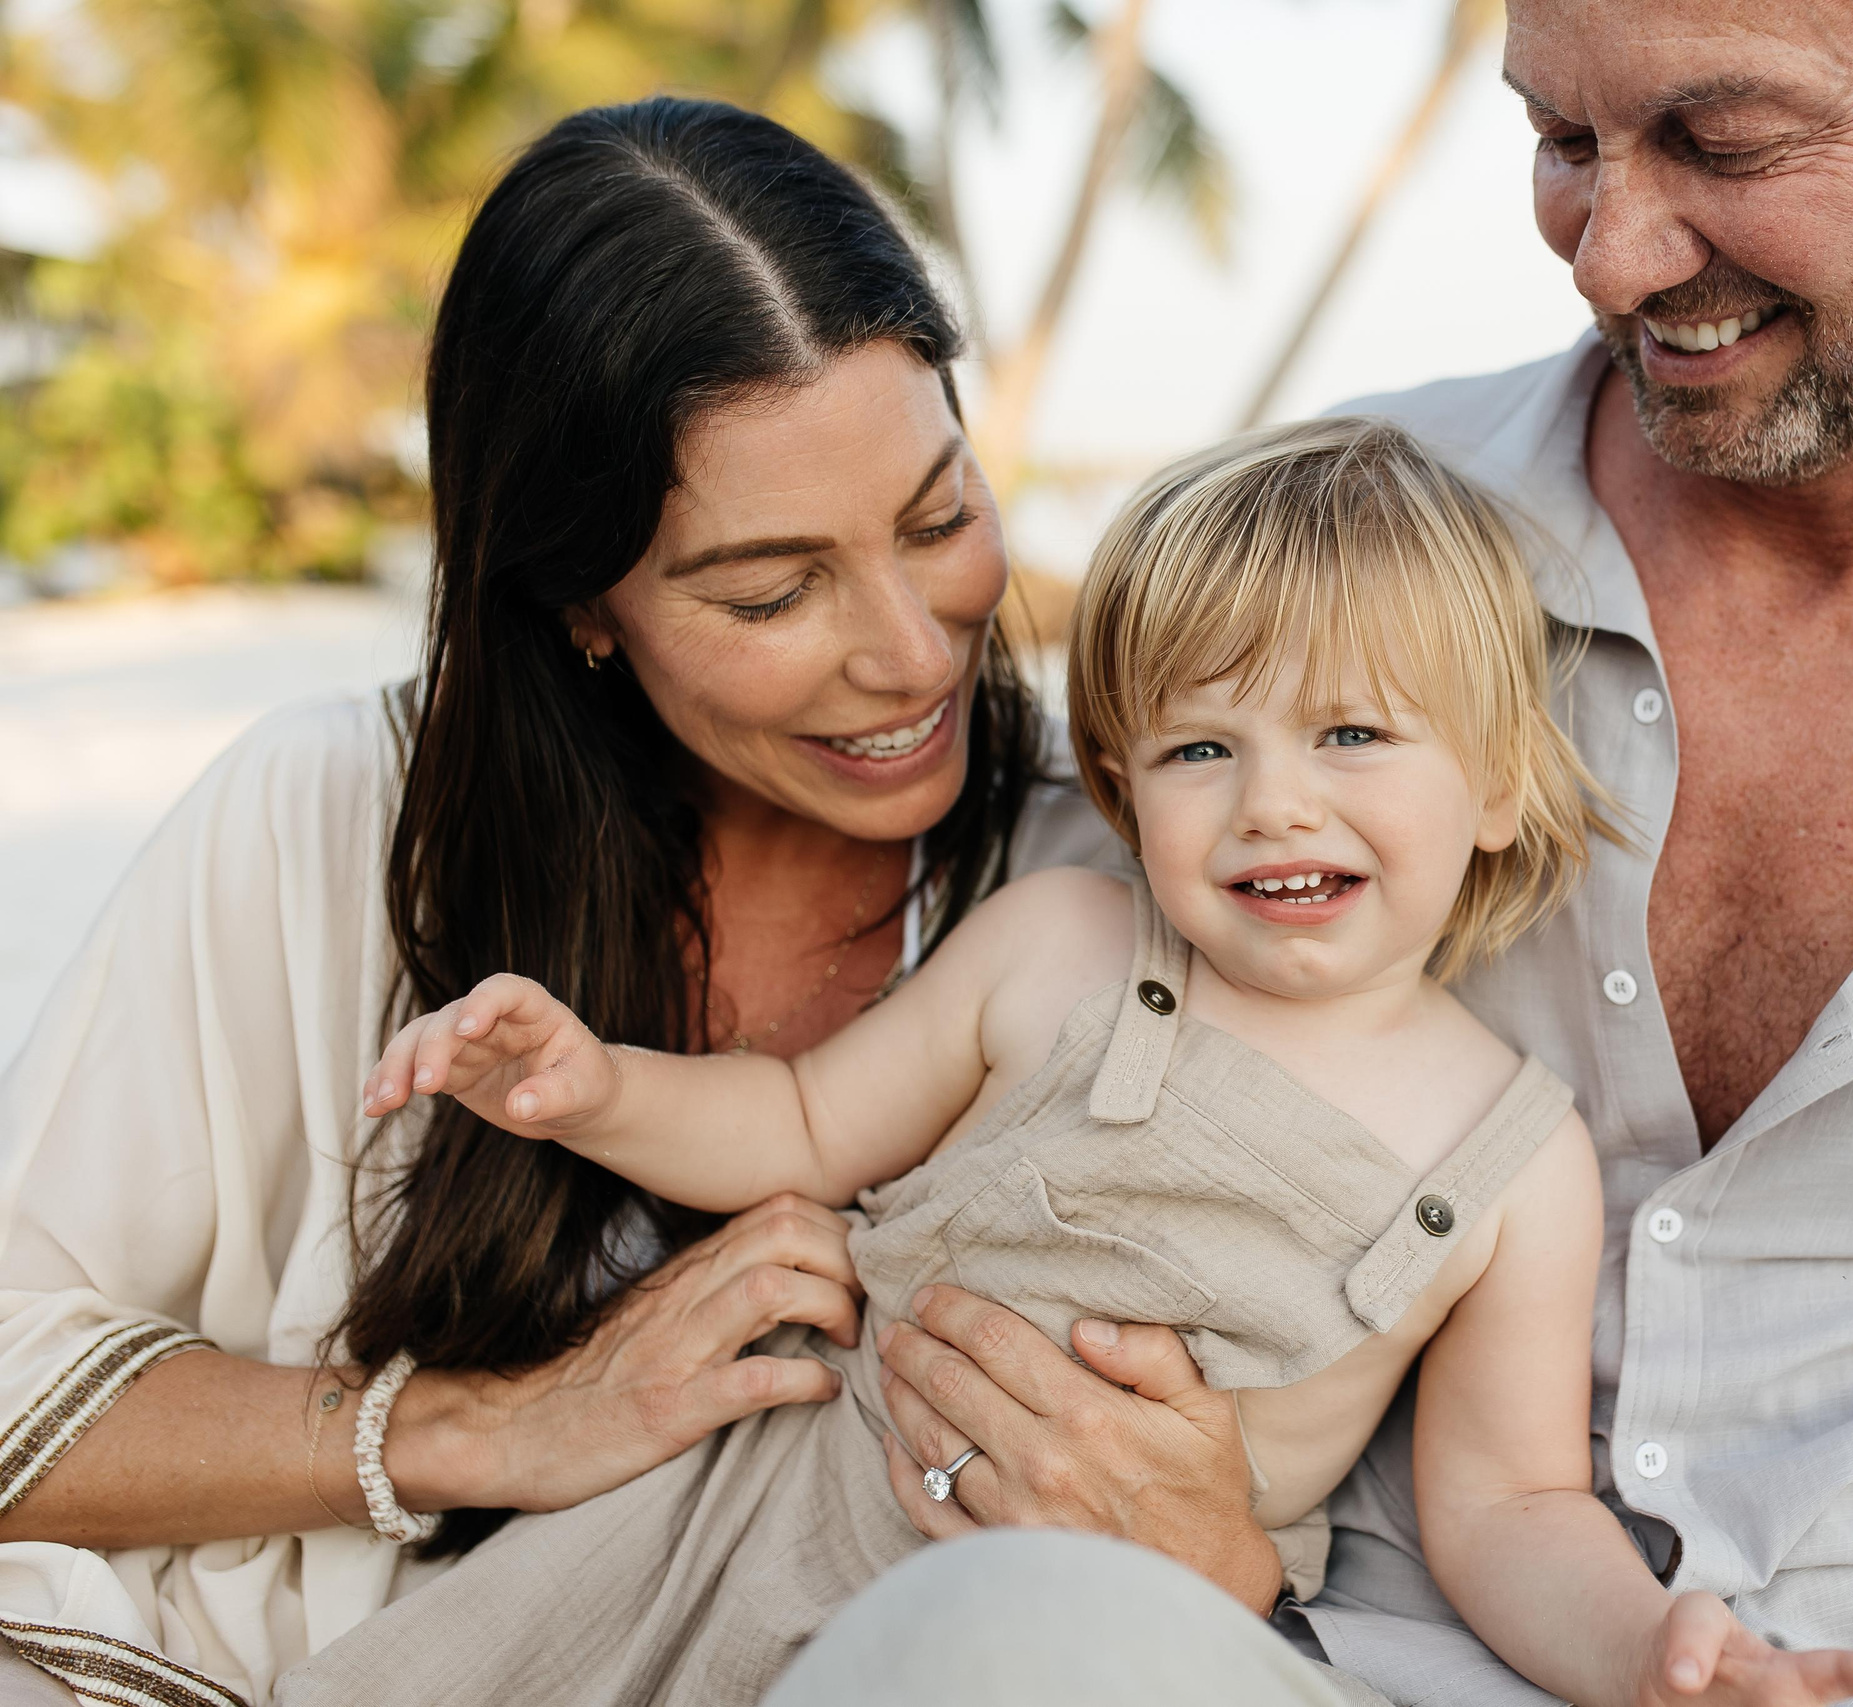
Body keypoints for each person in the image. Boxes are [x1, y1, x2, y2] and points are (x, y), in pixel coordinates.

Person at [778, 2, 1853, 1704]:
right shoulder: (1336, 543)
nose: (1609, 255)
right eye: (1560, 141)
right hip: (1318, 1641)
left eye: (1726, 139)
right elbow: (1019, 1034)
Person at [289, 419, 1853, 1707]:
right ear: (1123, 787)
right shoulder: (1063, 943)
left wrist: (1645, 1659)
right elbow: (797, 1122)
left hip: (1097, 1639)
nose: (1274, 803)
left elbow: (1510, 1509)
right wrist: (597, 1088)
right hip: (754, 1514)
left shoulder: (1511, 1158)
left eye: (1352, 736)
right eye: (1206, 747)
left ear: (1493, 784)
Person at [0, 98, 1106, 1706]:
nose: (916, 652)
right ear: (578, 598)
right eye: (773, 590)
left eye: (940, 518)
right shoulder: (327, 820)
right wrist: (499, 1426)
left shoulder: (1127, 873)